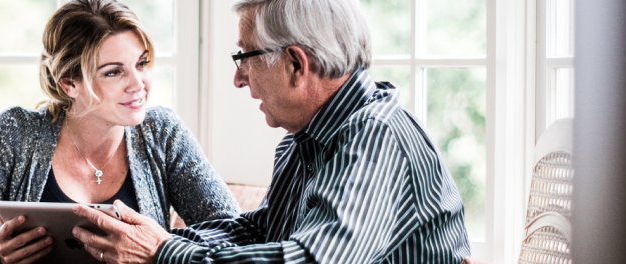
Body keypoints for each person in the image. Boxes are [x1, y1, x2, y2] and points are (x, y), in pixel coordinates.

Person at [67, 0, 471, 263]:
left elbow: (308, 261)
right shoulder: (306, 140)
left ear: (296, 64)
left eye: (245, 57)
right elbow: (261, 230)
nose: (238, 79)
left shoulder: (377, 138)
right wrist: (152, 235)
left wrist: (164, 252)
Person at [0, 0, 241, 263]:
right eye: (114, 72)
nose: (138, 84)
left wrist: (160, 249)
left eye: (142, 64)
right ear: (69, 82)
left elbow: (236, 234)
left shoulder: (163, 135)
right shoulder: (14, 134)